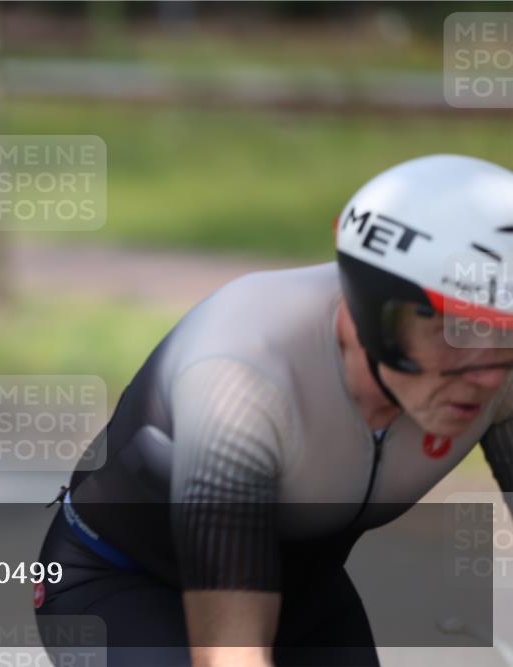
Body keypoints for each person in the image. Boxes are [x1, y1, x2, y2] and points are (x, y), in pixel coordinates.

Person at [34, 154, 513, 666]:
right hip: (121, 584)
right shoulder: (243, 368)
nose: (487, 374)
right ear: (374, 315)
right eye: (454, 330)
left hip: (304, 592)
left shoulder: (502, 375)